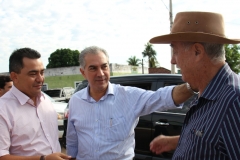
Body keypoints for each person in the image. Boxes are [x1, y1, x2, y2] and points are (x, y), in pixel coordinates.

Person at [66, 46, 195, 160]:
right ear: (83, 72)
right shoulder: (76, 101)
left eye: (104, 66)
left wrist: (193, 85)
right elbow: (72, 141)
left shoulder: (129, 97)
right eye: (93, 68)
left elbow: (161, 97)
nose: (100, 73)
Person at [149, 11, 240, 160]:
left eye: (175, 51)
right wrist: (177, 141)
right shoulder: (209, 92)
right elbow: (212, 140)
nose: (172, 60)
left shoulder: (234, 102)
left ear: (197, 51)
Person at [0, 48, 71, 160]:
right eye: (33, 74)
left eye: (42, 72)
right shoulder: (3, 109)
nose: (40, 79)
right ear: (14, 76)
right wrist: (43, 159)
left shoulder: (45, 101)